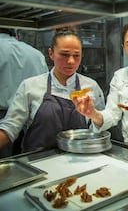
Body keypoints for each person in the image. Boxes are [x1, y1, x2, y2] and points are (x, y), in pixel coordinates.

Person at [0, 28, 105, 153]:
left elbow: (102, 127)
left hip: (79, 159)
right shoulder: (30, 86)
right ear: (51, 54)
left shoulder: (91, 86)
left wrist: (95, 116)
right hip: (38, 162)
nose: (71, 61)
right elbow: (10, 127)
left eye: (76, 55)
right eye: (64, 54)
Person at [0, 28, 49, 157]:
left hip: (2, 123)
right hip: (30, 122)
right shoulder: (36, 54)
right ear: (16, 34)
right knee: (24, 164)